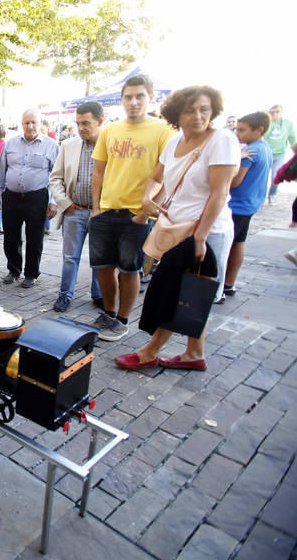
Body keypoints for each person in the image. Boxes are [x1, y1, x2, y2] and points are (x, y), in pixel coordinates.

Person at [114, 85, 240, 371]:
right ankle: (195, 352)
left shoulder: (221, 140)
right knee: (194, 294)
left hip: (204, 231)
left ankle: (150, 352)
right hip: (175, 228)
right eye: (189, 110)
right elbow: (156, 178)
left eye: (204, 110)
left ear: (214, 112)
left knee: (180, 292)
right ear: (176, 114)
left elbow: (219, 194)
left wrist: (201, 237)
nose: (198, 116)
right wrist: (147, 198)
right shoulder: (174, 142)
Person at [89, 75, 174, 341]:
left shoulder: (164, 131)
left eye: (139, 96)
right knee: (102, 268)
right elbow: (98, 172)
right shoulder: (111, 131)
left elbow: (166, 177)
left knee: (129, 269)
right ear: (122, 99)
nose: (133, 102)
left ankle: (122, 319)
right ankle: (108, 312)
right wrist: (95, 208)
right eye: (128, 97)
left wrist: (145, 212)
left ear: (150, 97)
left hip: (136, 215)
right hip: (105, 212)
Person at [0, 108, 60, 289]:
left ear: (40, 124)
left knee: (35, 238)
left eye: (34, 122)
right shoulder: (11, 144)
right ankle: (14, 270)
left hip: (36, 198)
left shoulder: (51, 146)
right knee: (11, 237)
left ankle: (31, 273)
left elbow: (57, 176)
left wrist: (54, 202)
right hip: (12, 197)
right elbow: (1, 170)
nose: (30, 126)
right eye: (26, 122)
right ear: (21, 124)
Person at [49, 101, 105, 312]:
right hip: (76, 210)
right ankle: (65, 294)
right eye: (78, 123)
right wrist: (65, 203)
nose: (81, 128)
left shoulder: (110, 145)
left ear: (100, 122)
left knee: (100, 258)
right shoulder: (69, 145)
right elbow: (55, 178)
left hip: (101, 213)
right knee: (70, 257)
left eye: (86, 123)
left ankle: (99, 294)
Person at [223, 112, 273, 297]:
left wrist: (234, 161)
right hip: (249, 204)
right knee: (238, 242)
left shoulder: (250, 152)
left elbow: (234, 181)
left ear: (258, 130)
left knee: (226, 246)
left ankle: (219, 288)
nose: (238, 134)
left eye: (242, 130)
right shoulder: (264, 147)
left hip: (237, 205)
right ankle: (229, 284)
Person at [263, 105, 295, 205]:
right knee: (262, 177)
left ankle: (272, 195)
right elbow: (262, 136)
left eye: (277, 112)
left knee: (275, 176)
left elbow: (292, 138)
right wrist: (270, 123)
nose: (275, 114)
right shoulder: (267, 123)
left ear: (281, 113)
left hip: (279, 154)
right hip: (266, 154)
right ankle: (261, 196)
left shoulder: (288, 124)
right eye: (272, 112)